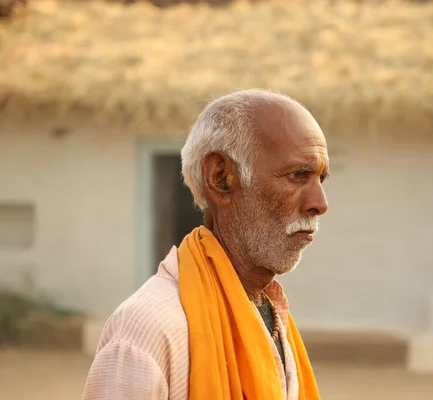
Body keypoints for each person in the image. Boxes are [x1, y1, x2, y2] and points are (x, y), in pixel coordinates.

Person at [82, 89, 329, 400]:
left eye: (322, 179)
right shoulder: (147, 331)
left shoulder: (270, 312)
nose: (320, 203)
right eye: (298, 175)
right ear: (221, 178)